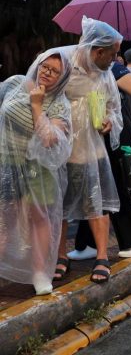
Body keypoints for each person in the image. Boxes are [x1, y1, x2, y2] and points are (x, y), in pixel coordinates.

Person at [56, 17, 123, 284]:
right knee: (57, 206)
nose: (115, 59)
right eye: (113, 54)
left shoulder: (105, 75)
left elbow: (114, 109)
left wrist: (110, 122)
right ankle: (59, 256)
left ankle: (102, 257)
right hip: (60, 151)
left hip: (92, 151)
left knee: (96, 202)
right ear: (99, 51)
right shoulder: (62, 62)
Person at [0, 48, 72, 295]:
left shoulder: (60, 104)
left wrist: (36, 105)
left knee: (39, 219)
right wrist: (40, 114)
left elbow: (50, 140)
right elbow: (6, 113)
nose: (48, 73)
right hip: (7, 161)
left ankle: (40, 272)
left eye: (55, 71)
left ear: (63, 77)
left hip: (39, 169)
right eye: (45, 67)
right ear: (38, 63)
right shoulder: (16, 84)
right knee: (5, 218)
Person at [68, 59, 131, 260]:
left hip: (114, 136)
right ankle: (87, 243)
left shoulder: (113, 68)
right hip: (95, 137)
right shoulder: (89, 69)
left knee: (113, 187)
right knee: (93, 187)